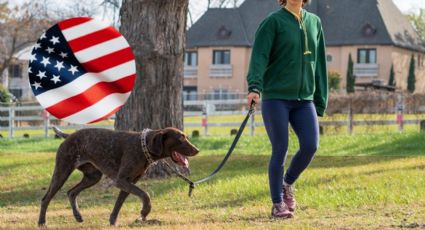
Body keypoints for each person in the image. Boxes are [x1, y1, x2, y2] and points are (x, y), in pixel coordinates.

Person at [246, 0, 328, 218]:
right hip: (276, 98)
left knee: (311, 145)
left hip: (304, 99)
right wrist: (255, 86)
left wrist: (320, 98)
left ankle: (287, 183)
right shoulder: (273, 22)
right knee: (280, 149)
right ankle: (277, 204)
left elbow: (319, 62)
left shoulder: (314, 22)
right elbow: (259, 56)